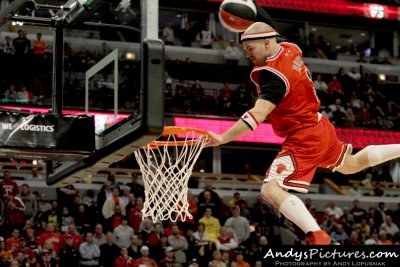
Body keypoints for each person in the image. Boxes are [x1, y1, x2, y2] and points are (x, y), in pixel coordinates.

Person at [207, 21, 400, 245]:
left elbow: (258, 115)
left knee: (270, 189)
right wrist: (253, 15)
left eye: (250, 48)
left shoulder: (273, 76)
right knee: (351, 164)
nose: (247, 53)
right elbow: (272, 33)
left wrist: (222, 137)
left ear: (267, 43)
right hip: (318, 124)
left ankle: (319, 237)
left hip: (304, 135)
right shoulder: (290, 48)